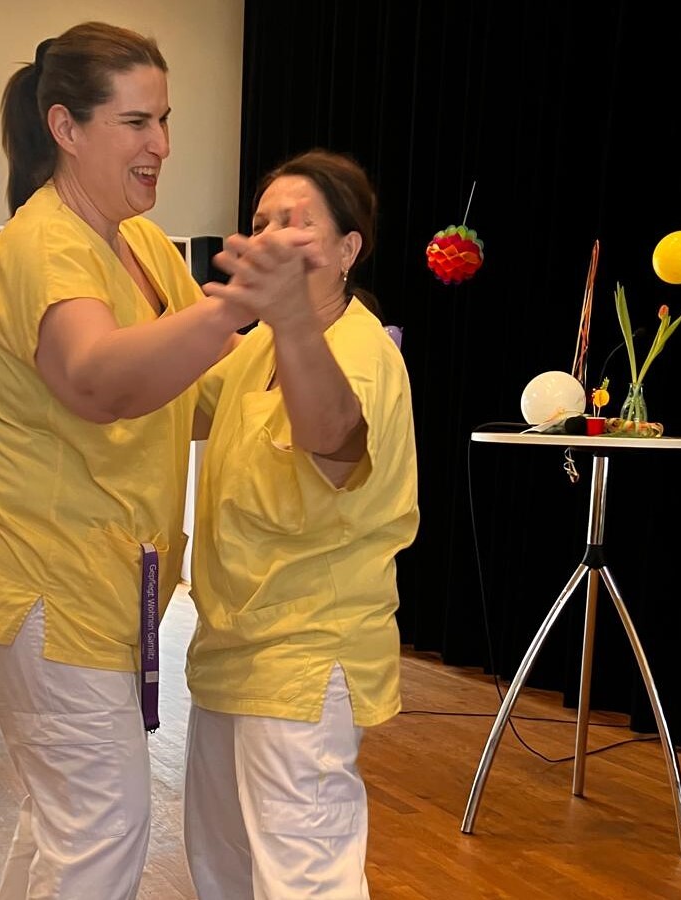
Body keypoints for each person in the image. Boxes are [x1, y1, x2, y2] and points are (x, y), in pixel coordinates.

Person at [0, 21, 305, 900]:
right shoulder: (44, 244)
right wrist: (234, 307)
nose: (162, 145)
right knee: (101, 828)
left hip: (104, 589)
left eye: (165, 120)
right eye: (137, 123)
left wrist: (316, 356)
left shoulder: (141, 246)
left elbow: (202, 389)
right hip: (50, 586)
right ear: (66, 127)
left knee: (68, 823)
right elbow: (98, 380)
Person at [183, 149, 420, 899]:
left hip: (307, 655)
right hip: (229, 649)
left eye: (296, 223)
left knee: (305, 880)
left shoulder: (361, 349)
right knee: (222, 867)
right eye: (261, 224)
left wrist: (284, 316)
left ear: (348, 250)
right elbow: (176, 406)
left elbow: (335, 438)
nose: (273, 238)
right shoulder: (253, 347)